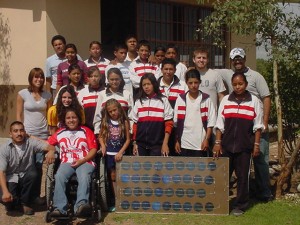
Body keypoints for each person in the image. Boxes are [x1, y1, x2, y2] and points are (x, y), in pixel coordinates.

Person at [217, 47, 273, 202]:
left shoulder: (256, 76)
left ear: (245, 58)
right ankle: (240, 194)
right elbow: (208, 70)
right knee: (240, 166)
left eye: (240, 58)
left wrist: (265, 122)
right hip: (237, 128)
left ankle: (264, 192)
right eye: (234, 59)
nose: (237, 61)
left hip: (255, 125)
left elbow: (266, 97)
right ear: (231, 60)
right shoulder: (228, 74)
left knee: (260, 160)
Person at [213, 72, 263, 216]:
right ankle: (219, 203)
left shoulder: (254, 101)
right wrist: (217, 143)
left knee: (242, 177)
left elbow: (258, 126)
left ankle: (240, 205)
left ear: (246, 84)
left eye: (240, 84)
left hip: (245, 147)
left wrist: (256, 145)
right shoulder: (226, 100)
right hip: (226, 146)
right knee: (222, 176)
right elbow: (219, 123)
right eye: (234, 84)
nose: (237, 87)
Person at [48, 108, 97, 217]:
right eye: (68, 118)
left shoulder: (86, 131)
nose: (71, 120)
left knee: (84, 176)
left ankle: (81, 205)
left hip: (85, 161)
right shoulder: (60, 132)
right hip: (67, 162)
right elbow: (50, 143)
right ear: (64, 120)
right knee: (59, 176)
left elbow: (93, 149)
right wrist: (51, 150)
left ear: (78, 119)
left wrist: (82, 160)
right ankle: (60, 208)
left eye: (74, 117)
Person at [0, 121, 55, 215]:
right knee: (9, 204)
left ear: (25, 132)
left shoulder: (31, 143)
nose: (19, 133)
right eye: (15, 131)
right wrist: (5, 191)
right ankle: (16, 202)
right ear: (10, 134)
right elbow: (2, 172)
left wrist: (51, 151)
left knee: (33, 174)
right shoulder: (5, 148)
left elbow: (49, 146)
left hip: (25, 176)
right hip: (10, 177)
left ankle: (24, 203)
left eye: (21, 130)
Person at [16, 68, 52, 204]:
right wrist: (21, 133)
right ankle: (23, 194)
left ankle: (35, 196)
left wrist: (51, 134)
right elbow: (19, 115)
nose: (39, 80)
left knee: (38, 166)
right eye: (36, 77)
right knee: (25, 165)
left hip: (43, 135)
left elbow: (50, 117)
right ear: (31, 79)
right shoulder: (22, 94)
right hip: (28, 135)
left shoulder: (47, 95)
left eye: (41, 77)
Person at [173, 69, 216, 157]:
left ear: (200, 82)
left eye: (196, 82)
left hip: (200, 144)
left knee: (200, 170)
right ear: (186, 83)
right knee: (185, 170)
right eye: (190, 83)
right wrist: (177, 141)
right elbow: (176, 123)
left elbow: (210, 123)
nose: (193, 85)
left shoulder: (206, 99)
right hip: (184, 143)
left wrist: (207, 139)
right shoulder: (181, 99)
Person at [99, 99, 130, 212]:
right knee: (111, 177)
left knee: (121, 177)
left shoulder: (124, 122)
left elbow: (127, 140)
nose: (113, 113)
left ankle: (123, 200)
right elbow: (101, 136)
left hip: (120, 155)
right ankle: (116, 200)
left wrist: (121, 152)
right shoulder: (106, 122)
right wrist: (103, 146)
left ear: (119, 109)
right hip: (109, 154)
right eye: (110, 111)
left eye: (114, 110)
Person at [132, 73, 173, 157]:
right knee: (141, 169)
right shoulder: (138, 101)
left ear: (154, 84)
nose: (146, 87)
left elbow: (169, 124)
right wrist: (135, 143)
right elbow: (135, 124)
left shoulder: (163, 100)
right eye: (144, 85)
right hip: (141, 145)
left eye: (148, 84)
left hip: (157, 145)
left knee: (157, 170)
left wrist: (165, 143)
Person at [158, 58, 187, 155]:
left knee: (176, 155)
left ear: (175, 70)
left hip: (176, 126)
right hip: (160, 127)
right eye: (166, 69)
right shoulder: (155, 86)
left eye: (171, 69)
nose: (168, 72)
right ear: (161, 70)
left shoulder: (183, 86)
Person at [93, 68, 133, 136]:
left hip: (123, 133)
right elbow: (98, 116)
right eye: (112, 79)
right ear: (107, 80)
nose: (114, 82)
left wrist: (130, 131)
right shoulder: (102, 94)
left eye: (117, 79)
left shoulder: (127, 94)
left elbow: (131, 116)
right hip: (106, 134)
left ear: (120, 79)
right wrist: (97, 132)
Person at [45, 35, 82, 99]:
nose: (58, 47)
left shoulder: (75, 56)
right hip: (56, 90)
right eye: (55, 45)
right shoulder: (49, 60)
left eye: (60, 44)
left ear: (64, 45)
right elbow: (48, 80)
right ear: (53, 47)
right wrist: (49, 96)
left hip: (76, 88)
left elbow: (82, 72)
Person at [77, 66, 105, 131]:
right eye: (91, 76)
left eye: (96, 76)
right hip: (87, 127)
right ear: (88, 78)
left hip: (103, 128)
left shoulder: (105, 92)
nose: (93, 78)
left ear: (100, 77)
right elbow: (79, 110)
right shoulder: (82, 92)